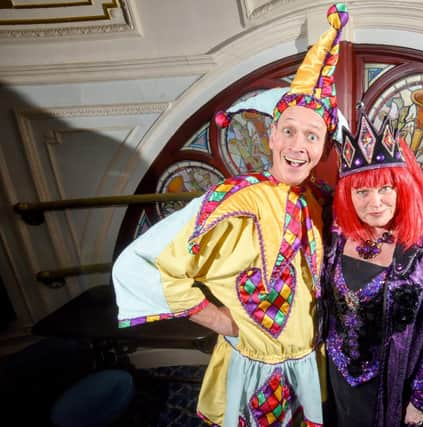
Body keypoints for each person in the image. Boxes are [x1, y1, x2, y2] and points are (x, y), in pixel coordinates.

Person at [112, 4, 349, 426]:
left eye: (312, 135)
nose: (298, 145)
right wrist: (220, 320)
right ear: (272, 133)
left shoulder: (316, 197)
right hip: (258, 368)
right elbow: (150, 265)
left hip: (305, 358)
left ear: (323, 147)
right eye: (289, 130)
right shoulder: (234, 202)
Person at [322, 105, 423, 426]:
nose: (374, 202)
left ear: (402, 186)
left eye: (385, 188)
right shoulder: (336, 232)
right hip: (336, 375)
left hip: (392, 386)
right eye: (361, 191)